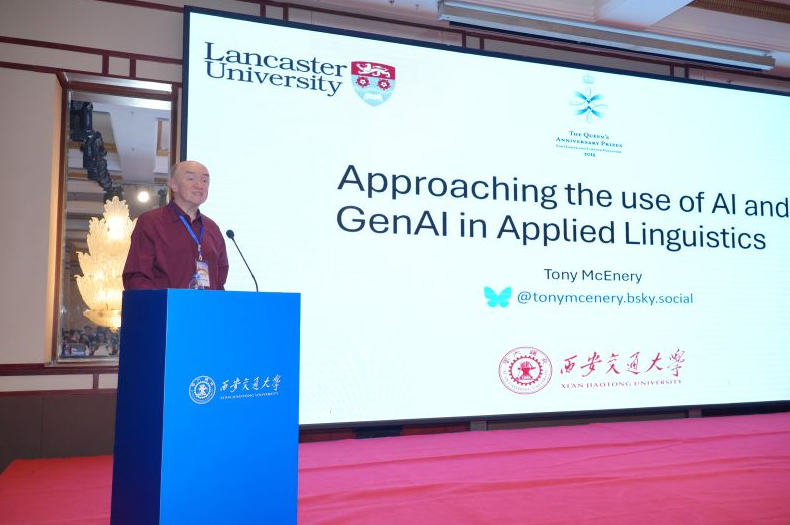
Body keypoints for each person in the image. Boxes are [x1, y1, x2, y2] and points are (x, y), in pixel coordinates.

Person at [123, 160, 229, 290]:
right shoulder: (151, 222)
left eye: (205, 181)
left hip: (206, 303)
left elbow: (219, 281)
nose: (199, 185)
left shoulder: (212, 228)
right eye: (191, 178)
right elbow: (137, 277)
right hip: (164, 303)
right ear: (173, 185)